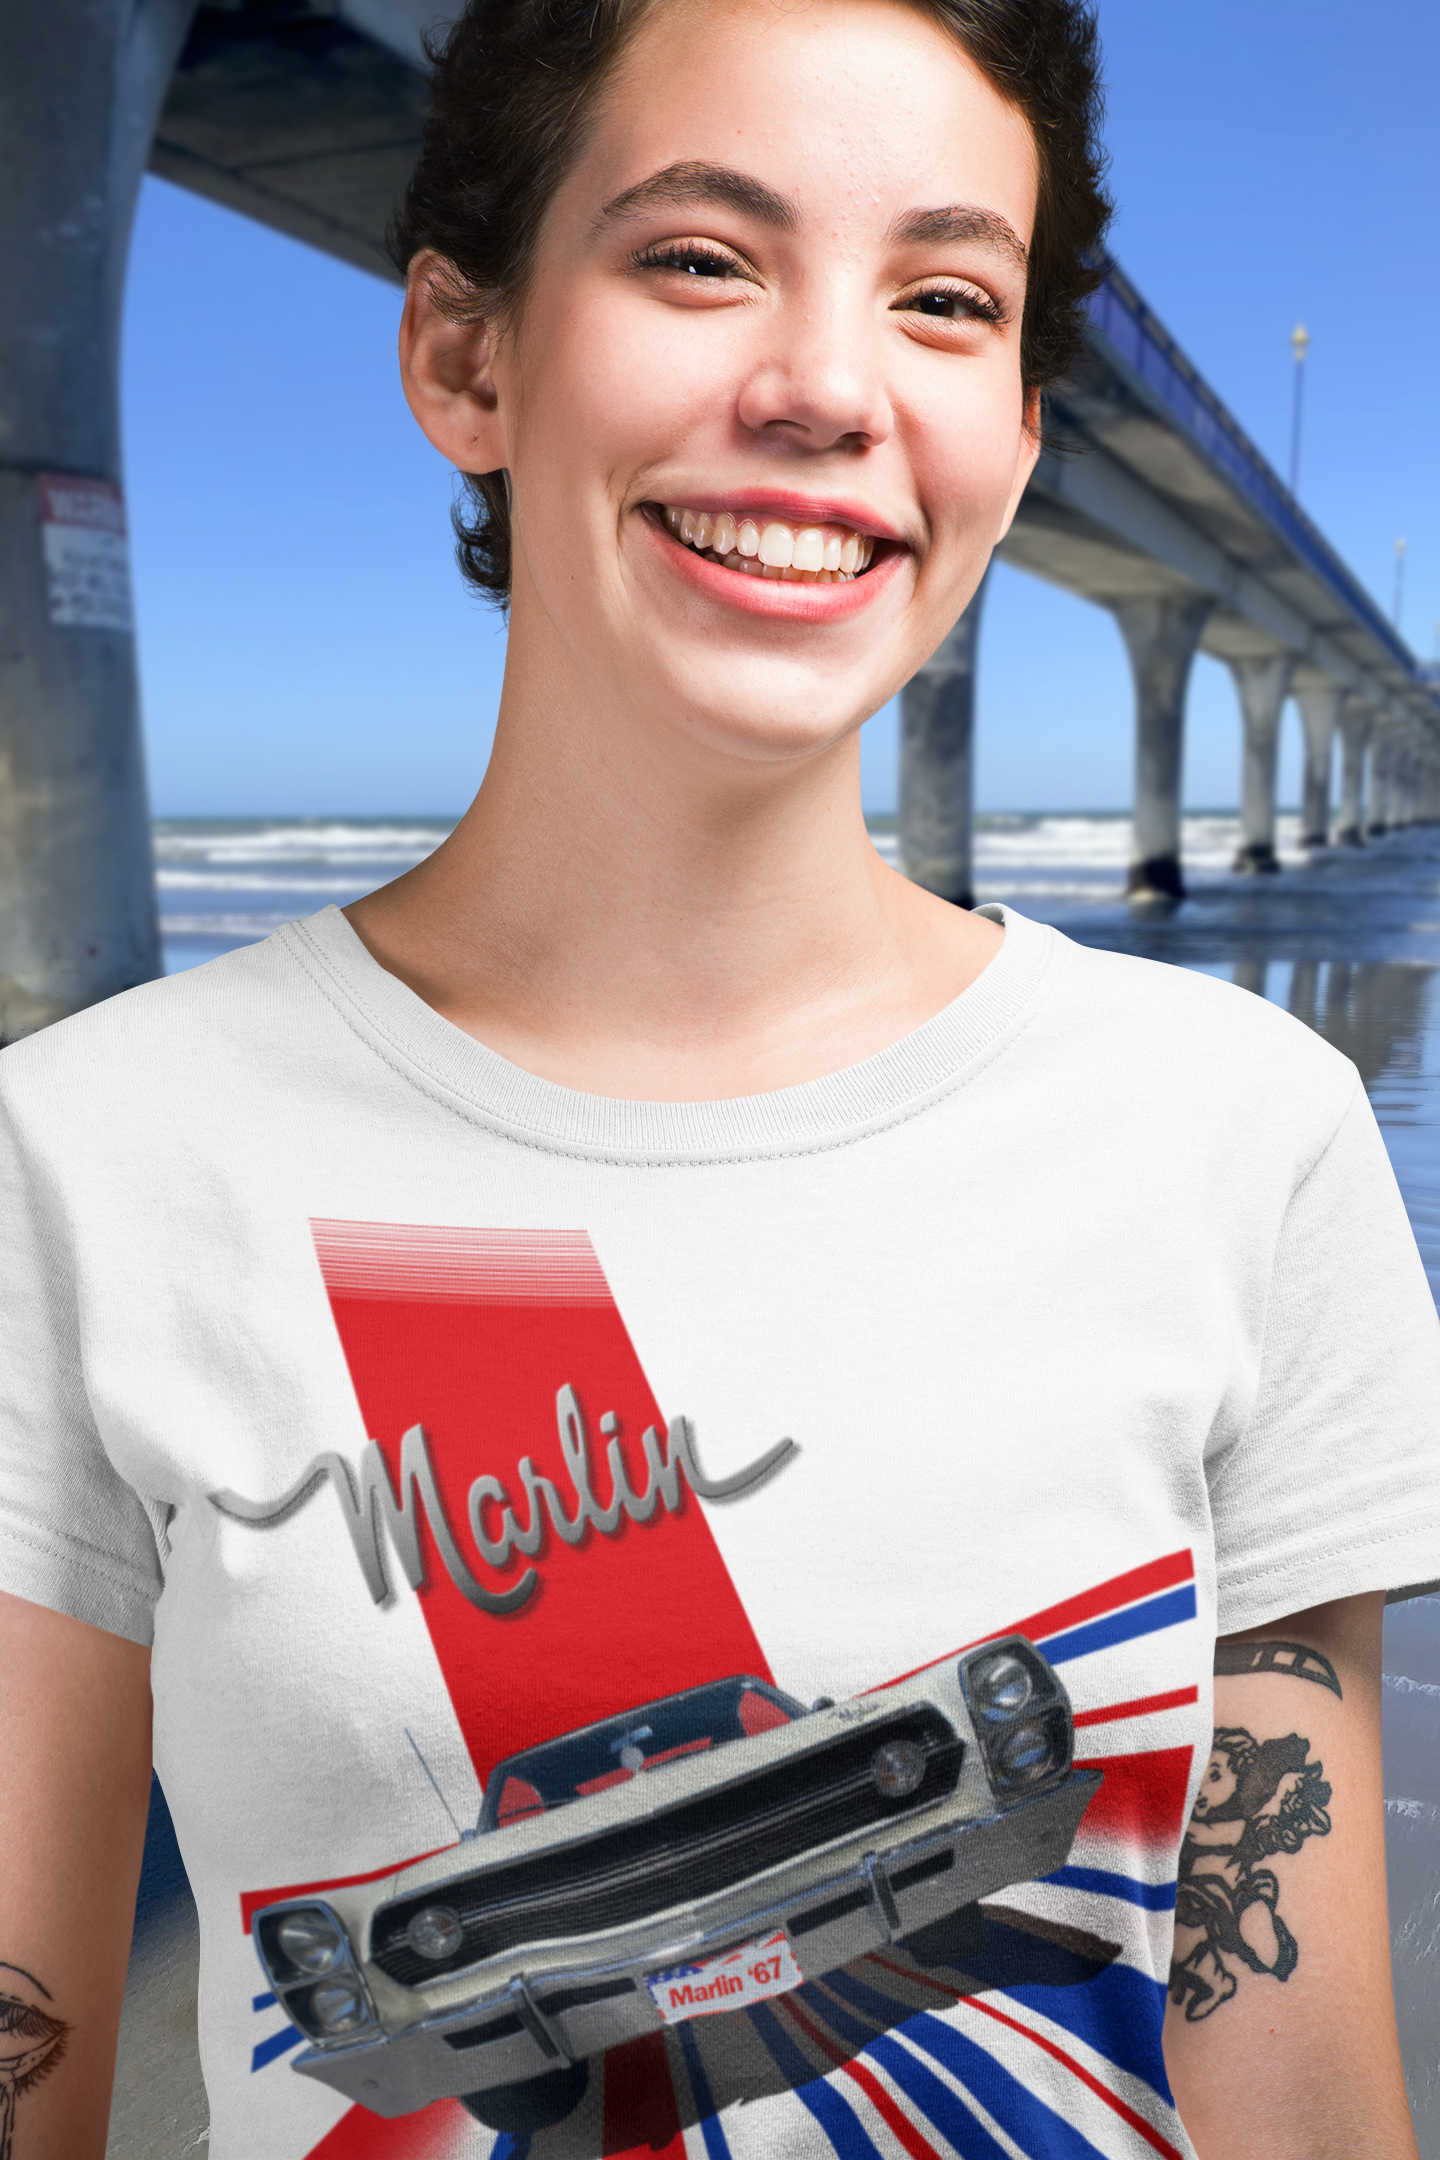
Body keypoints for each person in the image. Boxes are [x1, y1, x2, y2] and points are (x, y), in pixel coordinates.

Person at [0, 0, 1436, 2154]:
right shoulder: (95, 1158)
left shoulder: (1244, 1136)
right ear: (466, 361)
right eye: (699, 258)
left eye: (943, 300)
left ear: (1019, 436)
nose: (830, 390)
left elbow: (1299, 2080)